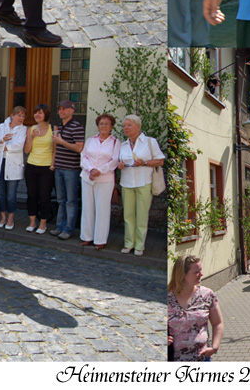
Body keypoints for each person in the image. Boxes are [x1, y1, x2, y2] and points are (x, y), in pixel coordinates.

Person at [118, 114, 164, 256]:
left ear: (138, 127)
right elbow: (119, 161)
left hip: (144, 182)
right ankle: (128, 243)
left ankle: (139, 245)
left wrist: (144, 163)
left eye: (129, 125)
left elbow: (160, 161)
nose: (125, 128)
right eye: (124, 125)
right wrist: (119, 165)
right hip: (126, 182)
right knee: (128, 215)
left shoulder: (150, 142)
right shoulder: (123, 144)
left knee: (142, 215)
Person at [168, 256, 223, 361]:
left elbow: (218, 323)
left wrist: (214, 347)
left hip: (202, 358)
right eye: (196, 272)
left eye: (201, 270)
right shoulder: (167, 297)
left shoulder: (207, 295)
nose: (201, 274)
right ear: (182, 275)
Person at [79, 113, 119, 249]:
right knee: (87, 207)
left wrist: (99, 171)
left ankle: (100, 240)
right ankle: (86, 237)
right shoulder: (90, 140)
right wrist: (91, 170)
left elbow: (114, 161)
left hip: (105, 179)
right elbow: (83, 156)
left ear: (111, 127)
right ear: (98, 126)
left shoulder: (115, 142)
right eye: (101, 123)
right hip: (87, 177)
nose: (103, 126)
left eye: (107, 124)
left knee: (102, 209)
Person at [51, 100, 85, 240]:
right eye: (59, 109)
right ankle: (60, 226)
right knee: (61, 200)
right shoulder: (60, 126)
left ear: (71, 110)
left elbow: (79, 148)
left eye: (64, 109)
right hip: (59, 167)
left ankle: (69, 229)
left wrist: (61, 142)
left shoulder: (77, 127)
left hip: (71, 169)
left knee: (71, 200)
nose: (61, 111)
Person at [0, 106, 27, 229]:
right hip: (1, 163)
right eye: (19, 115)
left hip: (13, 165)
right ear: (12, 116)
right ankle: (3, 217)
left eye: (23, 116)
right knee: (0, 193)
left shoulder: (23, 129)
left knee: (11, 195)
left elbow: (19, 146)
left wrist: (4, 146)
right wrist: (3, 140)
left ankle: (11, 219)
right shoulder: (2, 127)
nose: (21, 118)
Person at [23, 104, 56, 234]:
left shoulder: (53, 128)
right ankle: (32, 222)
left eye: (40, 113)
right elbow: (26, 150)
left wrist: (52, 165)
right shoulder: (31, 129)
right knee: (31, 195)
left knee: (44, 196)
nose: (37, 115)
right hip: (31, 165)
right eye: (36, 113)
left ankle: (43, 223)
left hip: (46, 167)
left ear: (46, 114)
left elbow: (55, 150)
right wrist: (31, 137)